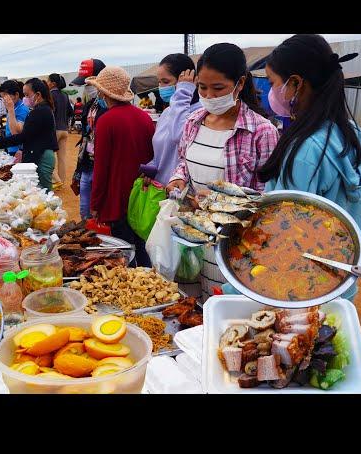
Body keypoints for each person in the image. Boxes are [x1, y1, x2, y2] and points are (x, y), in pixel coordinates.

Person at [256, 34, 361, 301]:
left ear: (295, 83)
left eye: (273, 83)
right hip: (338, 282)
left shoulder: (306, 150)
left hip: (298, 291)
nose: (269, 93)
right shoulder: (352, 134)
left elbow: (283, 232)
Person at [166, 43, 279, 301]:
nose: (209, 95)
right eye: (202, 87)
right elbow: (185, 161)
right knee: (188, 305)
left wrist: (220, 202)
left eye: (218, 88)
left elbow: (267, 197)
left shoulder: (262, 132)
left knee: (220, 306)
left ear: (239, 84)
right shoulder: (194, 121)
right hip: (193, 236)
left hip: (233, 244)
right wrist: (178, 178)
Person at [86, 67, 155, 267]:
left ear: (104, 92)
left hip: (117, 197)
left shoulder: (106, 120)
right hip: (142, 195)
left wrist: (96, 204)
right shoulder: (144, 117)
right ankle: (147, 282)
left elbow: (101, 167)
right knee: (142, 245)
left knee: (123, 251)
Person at [0, 78, 58, 190]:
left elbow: (21, 136)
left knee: (43, 191)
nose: (25, 98)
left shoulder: (40, 111)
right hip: (40, 153)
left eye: (27, 95)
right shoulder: (40, 110)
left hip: (42, 156)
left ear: (37, 95)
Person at [144, 54, 202, 186]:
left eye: (166, 82)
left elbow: (179, 135)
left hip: (182, 192)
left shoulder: (200, 113)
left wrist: (183, 92)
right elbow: (160, 154)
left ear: (186, 81)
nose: (161, 87)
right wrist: (151, 167)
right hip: (159, 190)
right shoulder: (166, 113)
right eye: (159, 82)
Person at [70, 58, 108, 220]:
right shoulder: (90, 105)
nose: (87, 89)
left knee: (100, 211)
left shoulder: (111, 109)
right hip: (87, 164)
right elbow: (86, 136)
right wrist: (78, 171)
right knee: (85, 210)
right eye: (86, 85)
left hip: (103, 166)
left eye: (90, 84)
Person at [48, 73, 71, 191]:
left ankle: (56, 180)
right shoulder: (65, 95)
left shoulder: (50, 95)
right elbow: (70, 112)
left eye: (48, 81)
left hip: (54, 130)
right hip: (64, 130)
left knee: (47, 156)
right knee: (61, 158)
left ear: (53, 83)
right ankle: (61, 182)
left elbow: (49, 113)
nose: (47, 83)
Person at [0, 79, 30, 157]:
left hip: (17, 151)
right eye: (3, 98)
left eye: (6, 97)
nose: (4, 100)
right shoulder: (14, 107)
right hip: (11, 147)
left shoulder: (22, 109)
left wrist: (10, 109)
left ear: (16, 95)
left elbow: (16, 133)